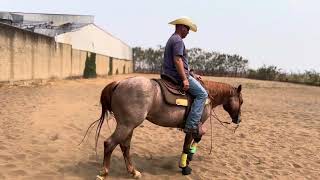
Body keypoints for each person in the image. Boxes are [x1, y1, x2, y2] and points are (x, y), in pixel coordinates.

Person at [162, 17, 208, 137]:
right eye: (187, 29)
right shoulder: (178, 40)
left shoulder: (173, 39)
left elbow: (181, 62)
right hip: (176, 75)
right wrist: (184, 79)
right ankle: (191, 126)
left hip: (170, 73)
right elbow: (177, 60)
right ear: (181, 27)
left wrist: (192, 74)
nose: (188, 32)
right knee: (202, 94)